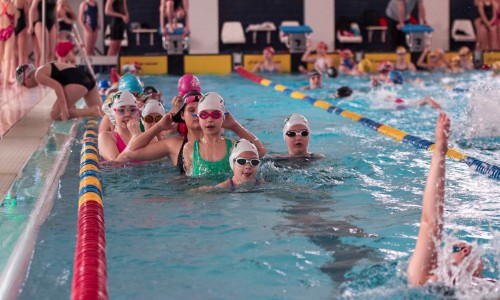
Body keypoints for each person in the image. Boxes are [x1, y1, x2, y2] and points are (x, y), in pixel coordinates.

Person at [407, 112, 489, 286]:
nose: (467, 250)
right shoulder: (426, 281)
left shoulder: (488, 285)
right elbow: (431, 221)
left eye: (464, 249)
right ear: (439, 262)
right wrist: (440, 151)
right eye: (458, 249)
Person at [182, 92, 267, 177]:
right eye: (204, 115)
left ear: (223, 117)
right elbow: (189, 180)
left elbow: (260, 152)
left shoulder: (233, 146)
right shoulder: (190, 148)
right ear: (198, 117)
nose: (210, 119)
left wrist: (235, 126)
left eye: (216, 115)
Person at [16, 63, 102, 120]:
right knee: (103, 113)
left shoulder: (38, 75)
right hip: (87, 77)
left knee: (54, 114)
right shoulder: (44, 68)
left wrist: (64, 108)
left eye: (24, 84)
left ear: (27, 77)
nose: (26, 87)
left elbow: (58, 86)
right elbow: (66, 79)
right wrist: (70, 104)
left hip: (79, 82)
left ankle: (90, 111)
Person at [98, 91, 143, 162]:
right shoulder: (105, 137)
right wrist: (135, 136)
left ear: (137, 113)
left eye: (133, 110)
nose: (128, 114)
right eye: (121, 110)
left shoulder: (146, 136)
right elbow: (116, 164)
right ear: (113, 114)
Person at [29, 0, 57, 65]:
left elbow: (55, 13)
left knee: (51, 53)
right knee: (44, 52)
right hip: (40, 22)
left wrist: (57, 27)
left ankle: (50, 72)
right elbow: (32, 9)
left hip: (51, 23)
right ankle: (41, 73)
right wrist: (31, 25)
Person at [0, 0, 16, 87]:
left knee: (2, 57)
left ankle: (5, 80)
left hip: (1, 30)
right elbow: (15, 22)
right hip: (9, 31)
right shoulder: (12, 6)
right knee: (7, 58)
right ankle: (5, 82)